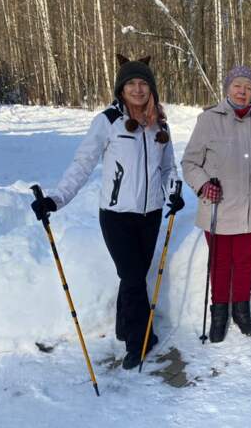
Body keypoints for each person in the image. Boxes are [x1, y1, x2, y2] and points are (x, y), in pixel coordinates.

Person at [30, 54, 184, 369]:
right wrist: (56, 199)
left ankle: (125, 326)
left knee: (134, 276)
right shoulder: (107, 120)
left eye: (143, 83)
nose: (138, 89)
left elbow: (168, 167)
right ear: (121, 88)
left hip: (151, 214)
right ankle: (140, 341)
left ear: (151, 87)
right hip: (116, 215)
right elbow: (83, 162)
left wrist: (174, 192)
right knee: (131, 275)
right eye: (132, 84)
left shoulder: (159, 123)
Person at [181, 65, 251, 343]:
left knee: (245, 263)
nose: (242, 91)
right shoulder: (208, 120)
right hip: (218, 208)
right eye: (237, 85)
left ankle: (241, 312)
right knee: (221, 264)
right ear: (227, 88)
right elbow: (189, 163)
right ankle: (219, 315)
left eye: (248, 88)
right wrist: (202, 184)